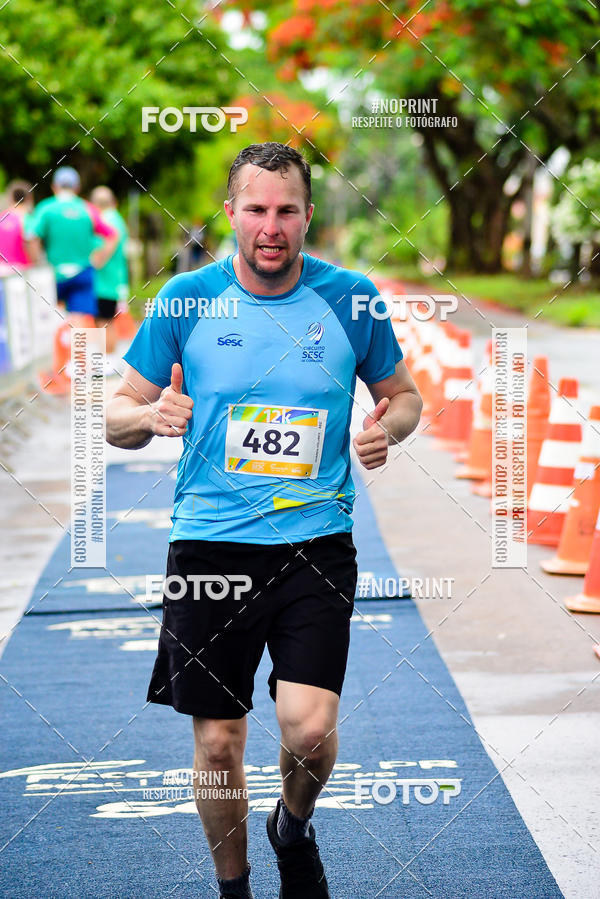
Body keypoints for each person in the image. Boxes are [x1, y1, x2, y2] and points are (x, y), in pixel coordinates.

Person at [105, 142, 422, 899]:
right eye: (256, 209)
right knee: (218, 742)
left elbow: (404, 394)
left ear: (308, 215)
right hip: (210, 547)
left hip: (315, 543)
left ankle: (292, 824)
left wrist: (390, 426)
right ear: (230, 215)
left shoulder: (351, 297)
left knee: (309, 731)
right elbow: (115, 414)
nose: (271, 226)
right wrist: (152, 414)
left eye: (286, 210)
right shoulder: (184, 299)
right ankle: (236, 888)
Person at [24, 166, 118, 318]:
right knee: (80, 323)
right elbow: (112, 235)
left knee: (51, 320)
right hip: (82, 272)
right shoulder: (88, 209)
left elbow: (31, 237)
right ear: (77, 188)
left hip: (53, 274)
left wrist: (37, 265)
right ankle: (78, 342)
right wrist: (99, 260)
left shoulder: (46, 208)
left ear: (54, 187)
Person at [89, 185, 129, 357]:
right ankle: (110, 359)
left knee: (104, 322)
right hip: (116, 279)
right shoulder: (118, 219)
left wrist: (92, 263)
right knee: (107, 321)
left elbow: (101, 251)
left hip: (104, 281)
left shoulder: (104, 221)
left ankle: (109, 359)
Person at [0, 180, 34, 270]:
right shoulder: (27, 219)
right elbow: (32, 245)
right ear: (29, 198)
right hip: (20, 272)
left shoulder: (1, 217)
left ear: (10, 198)